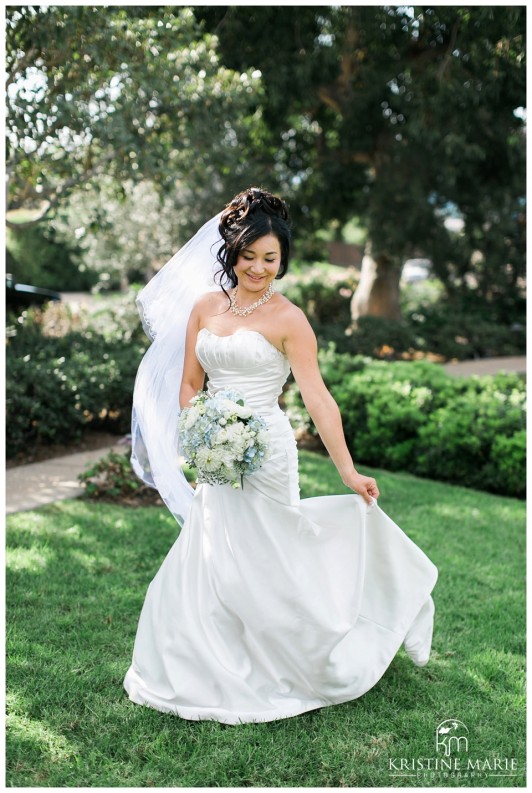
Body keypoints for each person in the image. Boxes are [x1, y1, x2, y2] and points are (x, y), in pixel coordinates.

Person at [123, 187, 438, 725]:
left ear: (283, 260)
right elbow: (190, 386)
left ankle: (306, 654)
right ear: (231, 253)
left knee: (271, 556)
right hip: (217, 455)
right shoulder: (204, 307)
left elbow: (317, 397)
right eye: (249, 257)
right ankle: (207, 665)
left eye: (271, 258)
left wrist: (347, 469)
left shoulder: (290, 319)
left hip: (266, 451)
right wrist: (201, 438)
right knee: (214, 556)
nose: (260, 268)